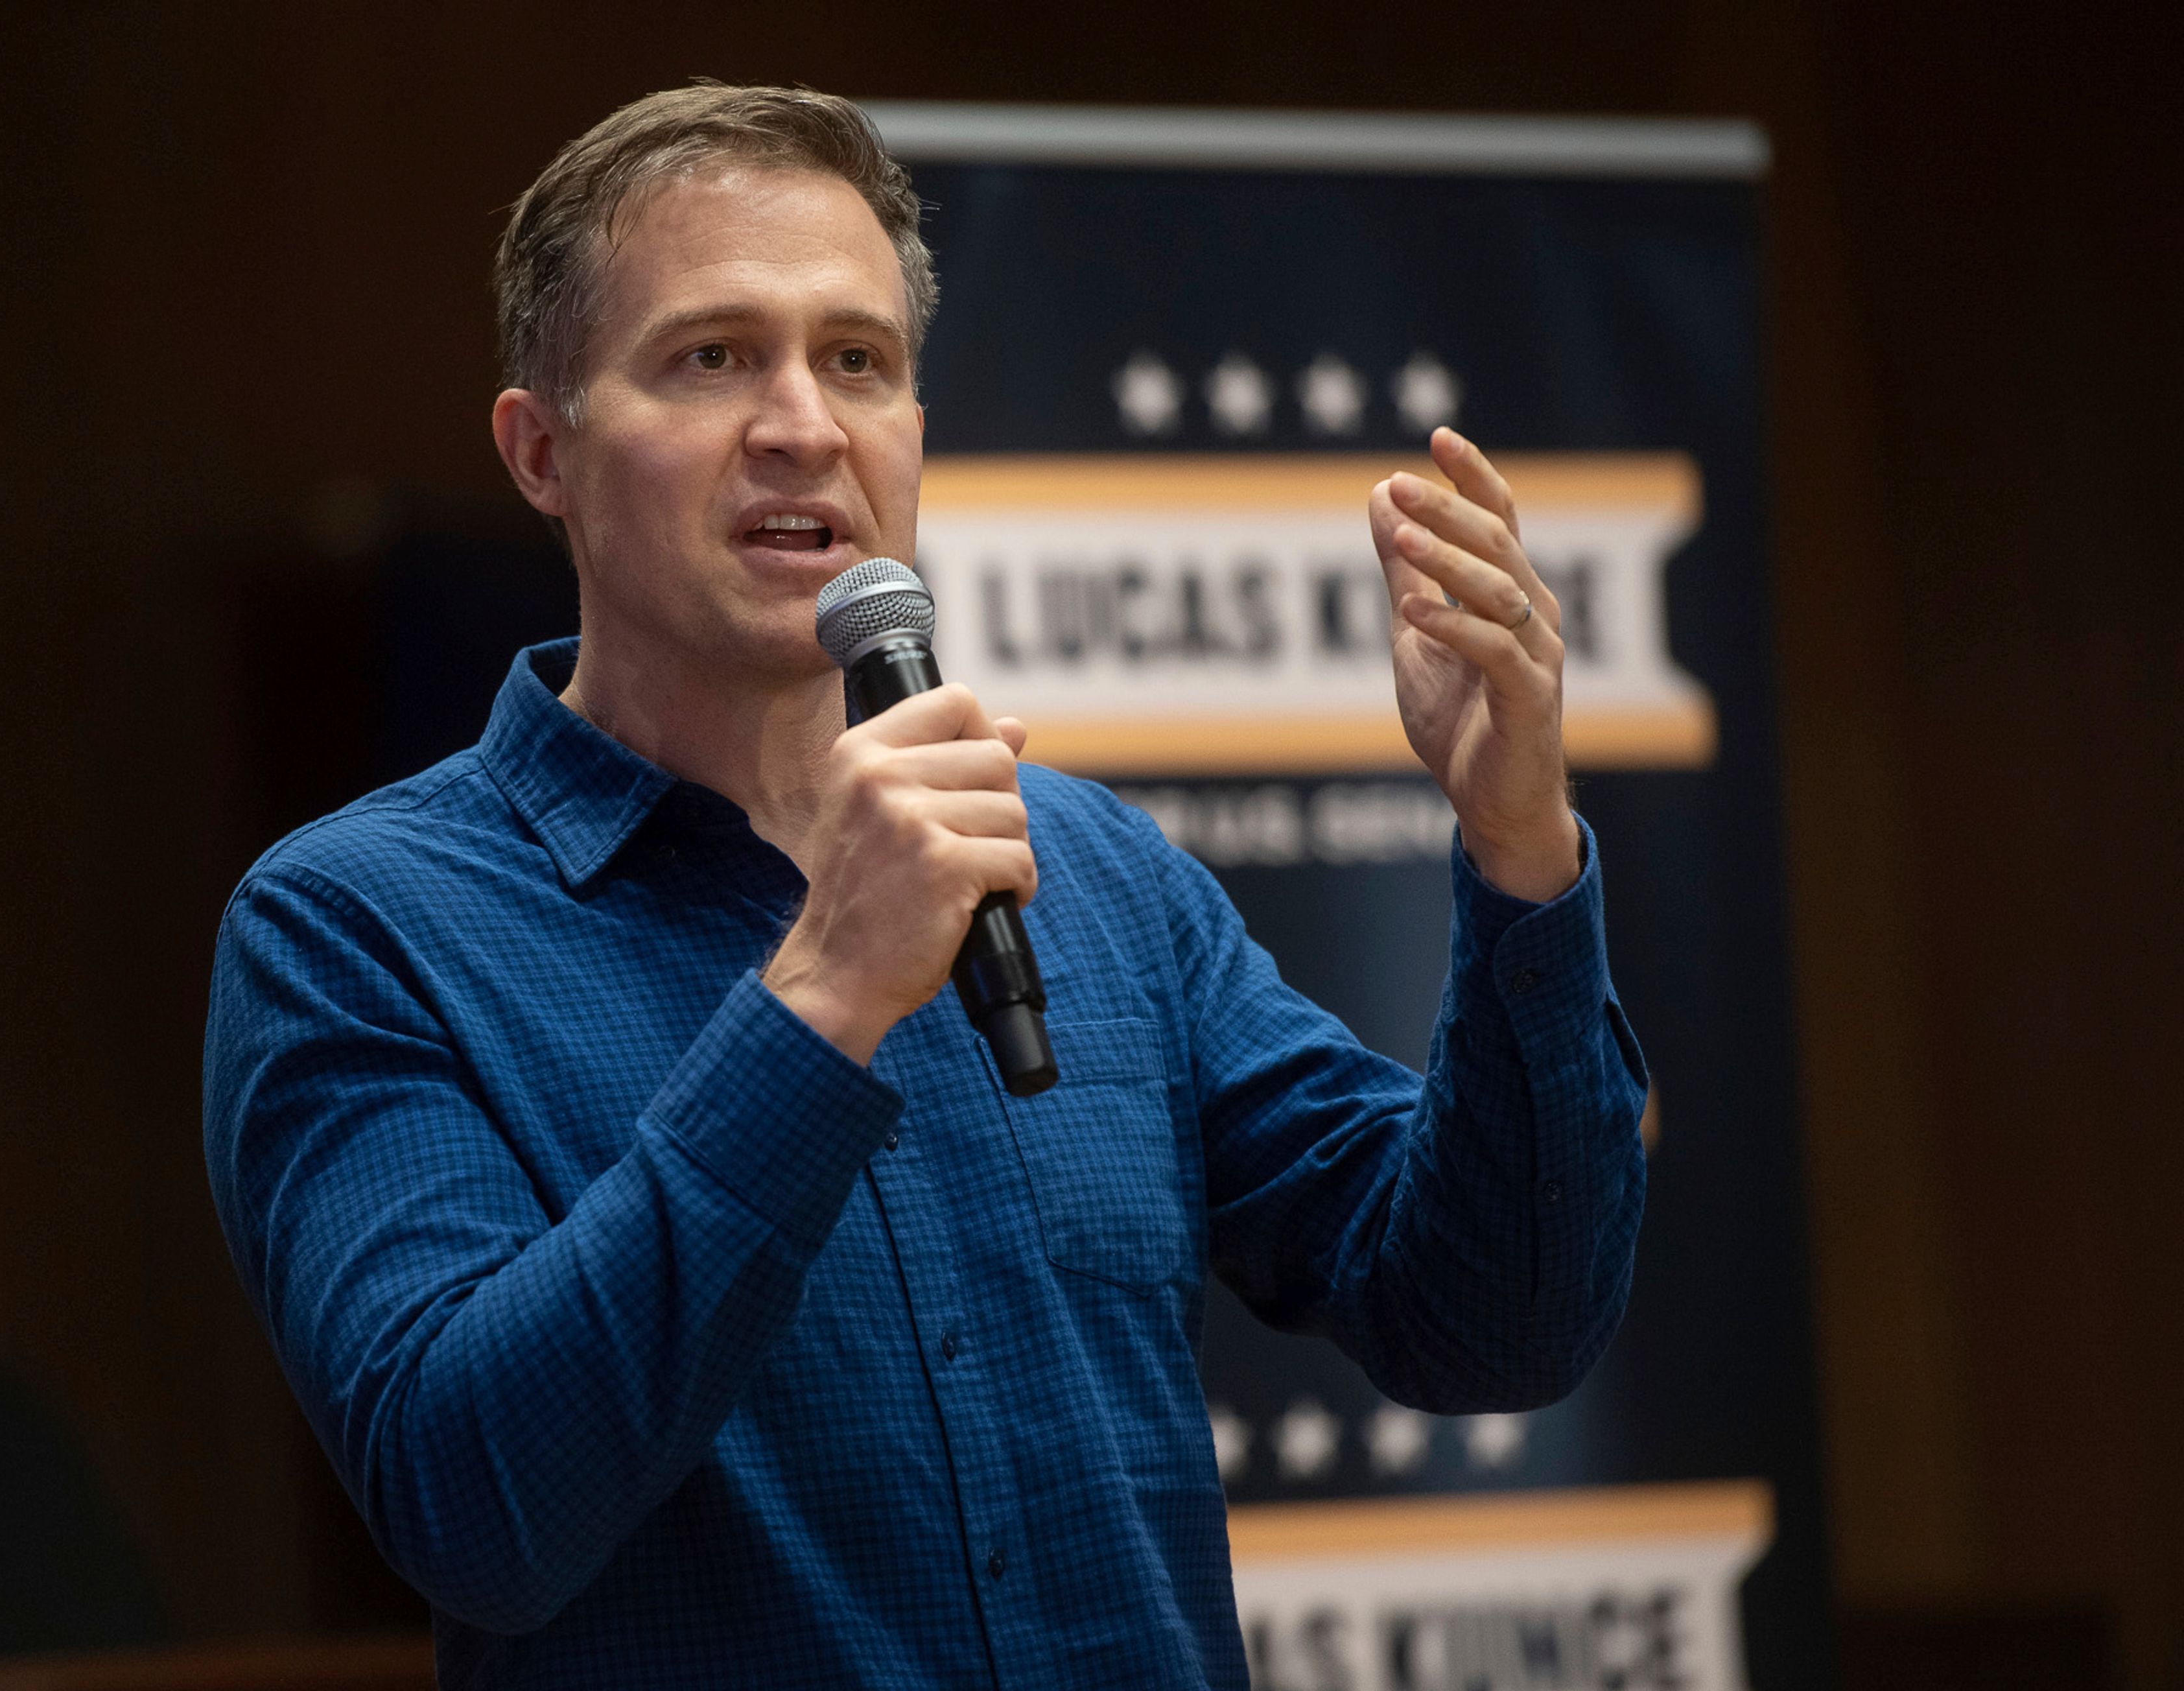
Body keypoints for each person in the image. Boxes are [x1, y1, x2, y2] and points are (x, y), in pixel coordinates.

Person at [203, 82, 1648, 1690]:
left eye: (857, 362)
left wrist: (1522, 849)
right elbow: (478, 1506)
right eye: (710, 356)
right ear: (542, 452)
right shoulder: (353, 930)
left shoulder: (1091, 875)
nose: (802, 425)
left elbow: (1497, 1321)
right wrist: (821, 998)